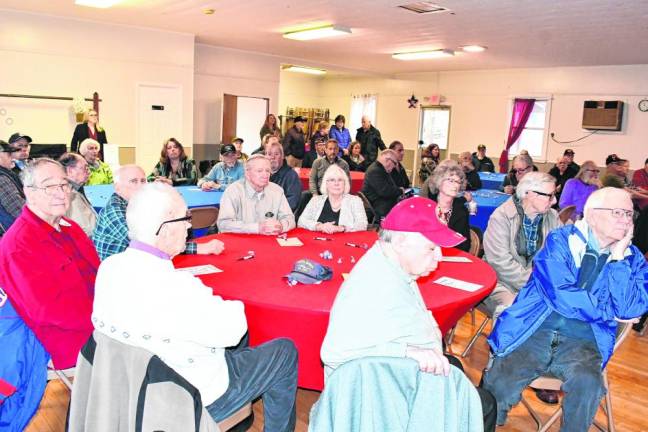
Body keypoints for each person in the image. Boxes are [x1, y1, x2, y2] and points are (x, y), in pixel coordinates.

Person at [93, 182, 298, 430]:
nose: (189, 226)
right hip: (189, 396)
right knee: (284, 351)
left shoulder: (109, 268)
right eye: (185, 219)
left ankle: (241, 419)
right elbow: (234, 328)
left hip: (132, 386)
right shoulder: (178, 286)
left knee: (236, 345)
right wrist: (226, 304)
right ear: (166, 228)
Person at [320, 196, 496, 431]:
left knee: (454, 367)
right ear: (401, 240)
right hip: (379, 397)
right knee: (484, 403)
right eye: (431, 248)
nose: (439, 257)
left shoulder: (393, 264)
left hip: (393, 377)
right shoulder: (371, 286)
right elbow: (332, 352)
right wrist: (408, 351)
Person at [483, 187, 648, 431]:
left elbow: (629, 308)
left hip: (585, 341)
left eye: (628, 214)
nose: (625, 219)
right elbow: (562, 296)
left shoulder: (631, 259)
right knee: (501, 381)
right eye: (617, 212)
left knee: (588, 385)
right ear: (592, 215)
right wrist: (606, 311)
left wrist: (618, 259)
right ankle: (487, 422)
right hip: (536, 328)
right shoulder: (561, 240)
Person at [0, 158, 99, 369]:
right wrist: (103, 318)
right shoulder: (18, 245)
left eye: (64, 184)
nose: (60, 192)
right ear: (29, 192)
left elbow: (97, 275)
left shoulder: (70, 227)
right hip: (66, 339)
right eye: (49, 186)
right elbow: (46, 310)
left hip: (98, 322)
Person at [93, 165, 224, 260]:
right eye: (134, 181)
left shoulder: (136, 204)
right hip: (121, 278)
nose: (141, 186)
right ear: (117, 188)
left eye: (143, 181)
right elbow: (151, 243)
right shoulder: (115, 211)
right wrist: (200, 248)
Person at [483, 172, 561, 319]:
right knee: (516, 310)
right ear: (530, 194)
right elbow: (500, 263)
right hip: (500, 282)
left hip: (537, 284)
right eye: (550, 195)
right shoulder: (501, 217)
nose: (555, 201)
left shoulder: (552, 217)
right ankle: (502, 341)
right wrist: (535, 283)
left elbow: (560, 254)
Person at [217, 154, 295, 234]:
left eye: (267, 170)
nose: (265, 175)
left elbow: (290, 219)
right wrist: (257, 228)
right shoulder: (233, 191)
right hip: (240, 242)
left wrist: (281, 226)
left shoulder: (277, 191)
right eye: (259, 171)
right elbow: (223, 224)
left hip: (268, 242)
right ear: (247, 174)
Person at [420, 160, 471, 252]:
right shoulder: (426, 208)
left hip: (451, 258)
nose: (455, 185)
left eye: (458, 182)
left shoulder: (461, 211)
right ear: (439, 182)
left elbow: (465, 245)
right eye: (451, 180)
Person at [299, 164, 367, 233]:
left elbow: (363, 224)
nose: (336, 183)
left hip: (344, 242)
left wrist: (341, 228)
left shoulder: (355, 201)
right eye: (332, 180)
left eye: (340, 180)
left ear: (345, 183)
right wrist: (319, 226)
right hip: (317, 241)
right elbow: (301, 222)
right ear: (326, 184)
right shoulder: (316, 200)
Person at [361, 150, 404, 223]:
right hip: (378, 205)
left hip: (380, 202)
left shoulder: (380, 169)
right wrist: (400, 191)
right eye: (395, 163)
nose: (395, 166)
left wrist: (399, 191)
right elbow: (385, 192)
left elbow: (390, 187)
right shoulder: (375, 170)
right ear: (388, 161)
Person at [59, 152, 97, 236]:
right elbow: (86, 229)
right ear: (70, 171)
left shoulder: (75, 190)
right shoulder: (69, 193)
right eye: (85, 168)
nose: (89, 172)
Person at [266, 139, 301, 212]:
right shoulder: (261, 175)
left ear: (282, 156)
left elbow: (293, 202)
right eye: (269, 154)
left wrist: (272, 210)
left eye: (276, 154)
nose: (273, 157)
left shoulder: (291, 175)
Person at [0, 140, 26, 233]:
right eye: (9, 154)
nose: (12, 157)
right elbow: (18, 209)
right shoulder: (2, 178)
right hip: (14, 234)